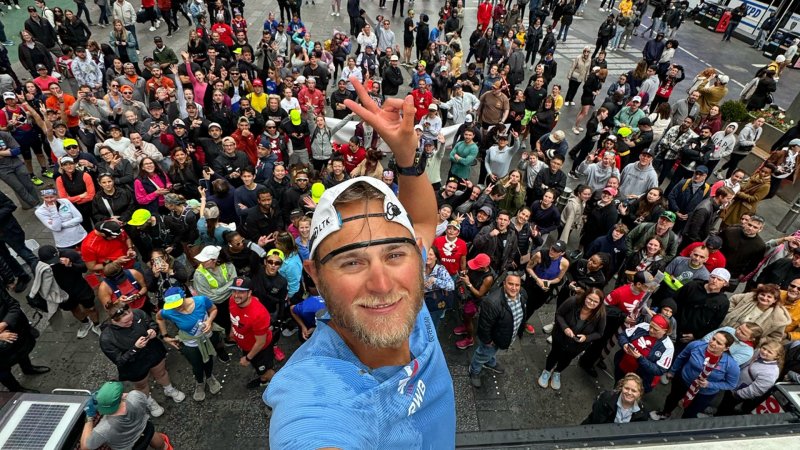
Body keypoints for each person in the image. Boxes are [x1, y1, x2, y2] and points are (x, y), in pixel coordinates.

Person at [265, 77, 455, 448]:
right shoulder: (315, 394)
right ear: (314, 275)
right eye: (352, 263)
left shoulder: (407, 293)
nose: (382, 285)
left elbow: (421, 223)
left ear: (416, 257)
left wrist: (406, 158)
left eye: (394, 254)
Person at [99, 304, 186, 418]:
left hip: (153, 352)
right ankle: (149, 401)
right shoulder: (107, 338)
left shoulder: (137, 313)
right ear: (114, 321)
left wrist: (153, 330)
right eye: (126, 322)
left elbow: (151, 323)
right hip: (134, 365)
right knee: (141, 385)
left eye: (132, 318)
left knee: (161, 372)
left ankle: (169, 389)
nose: (131, 323)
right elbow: (120, 361)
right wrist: (135, 348)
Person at [156, 287, 224, 402]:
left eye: (177, 304)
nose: (175, 308)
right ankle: (200, 382)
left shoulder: (201, 301)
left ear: (183, 297)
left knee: (209, 360)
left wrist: (209, 321)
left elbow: (213, 309)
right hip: (190, 344)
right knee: (196, 364)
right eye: (172, 305)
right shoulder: (168, 311)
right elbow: (159, 318)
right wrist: (165, 336)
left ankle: (209, 377)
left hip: (208, 338)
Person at [652, 331, 739, 419]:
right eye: (713, 339)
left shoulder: (731, 365)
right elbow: (681, 357)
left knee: (691, 413)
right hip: (684, 381)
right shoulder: (696, 345)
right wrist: (672, 371)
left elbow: (731, 384)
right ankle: (665, 414)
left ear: (726, 348)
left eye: (719, 343)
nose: (713, 343)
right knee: (672, 399)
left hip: (704, 393)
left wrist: (709, 384)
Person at [539, 288, 606, 390]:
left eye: (595, 301)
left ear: (600, 303)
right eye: (589, 299)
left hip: (577, 345)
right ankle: (547, 371)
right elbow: (559, 314)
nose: (591, 303)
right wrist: (565, 327)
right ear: (585, 296)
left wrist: (586, 337)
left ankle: (557, 372)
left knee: (567, 359)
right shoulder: (573, 301)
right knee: (554, 354)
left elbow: (599, 333)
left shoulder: (600, 314)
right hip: (560, 337)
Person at [470, 272, 526, 388]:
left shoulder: (523, 294)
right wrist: (488, 342)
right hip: (492, 340)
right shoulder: (492, 303)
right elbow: (484, 326)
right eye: (510, 284)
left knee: (490, 353)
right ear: (504, 284)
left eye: (517, 285)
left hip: (506, 335)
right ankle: (474, 371)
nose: (514, 288)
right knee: (482, 354)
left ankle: (489, 362)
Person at [32, 245, 100, 338]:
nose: (53, 263)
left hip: (79, 287)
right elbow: (40, 280)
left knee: (91, 308)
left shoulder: (69, 254)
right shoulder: (39, 266)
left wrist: (71, 265)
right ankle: (86, 323)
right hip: (62, 292)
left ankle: (97, 325)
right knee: (74, 309)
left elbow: (84, 268)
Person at [81, 381, 173, 450]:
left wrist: (89, 418)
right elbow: (140, 397)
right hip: (146, 429)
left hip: (130, 447)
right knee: (155, 438)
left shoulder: (105, 427)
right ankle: (165, 447)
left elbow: (86, 446)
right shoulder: (135, 396)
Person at [0, 289, 50, 392]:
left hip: (13, 327)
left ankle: (28, 368)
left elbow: (13, 305)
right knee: (2, 370)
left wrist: (5, 323)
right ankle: (15, 389)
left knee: (21, 350)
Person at [716, 340, 783, 416]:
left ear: (777, 356)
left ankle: (715, 421)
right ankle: (716, 412)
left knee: (726, 408)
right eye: (764, 348)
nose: (764, 352)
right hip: (733, 385)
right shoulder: (758, 352)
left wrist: (738, 394)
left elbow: (757, 389)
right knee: (723, 403)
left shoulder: (771, 372)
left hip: (738, 392)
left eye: (769, 352)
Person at [615, 314, 674, 391]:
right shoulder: (643, 326)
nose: (651, 330)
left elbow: (660, 370)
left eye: (655, 329)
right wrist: (624, 344)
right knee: (616, 388)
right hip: (622, 367)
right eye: (651, 326)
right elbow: (623, 335)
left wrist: (640, 358)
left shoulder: (668, 347)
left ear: (664, 331)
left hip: (640, 380)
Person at [582, 373, 648, 424]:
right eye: (626, 388)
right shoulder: (606, 398)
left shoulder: (642, 412)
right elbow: (596, 421)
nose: (629, 392)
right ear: (621, 387)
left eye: (634, 391)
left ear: (639, 393)